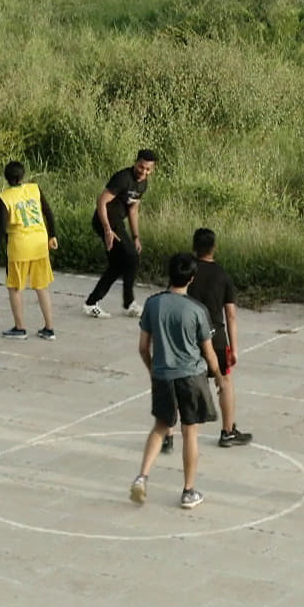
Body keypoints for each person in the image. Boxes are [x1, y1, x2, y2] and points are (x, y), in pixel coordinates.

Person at [129, 253, 221, 510]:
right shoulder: (197, 310)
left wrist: (153, 369)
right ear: (191, 279)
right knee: (190, 431)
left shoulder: (152, 304)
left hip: (162, 374)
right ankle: (188, 491)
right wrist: (219, 377)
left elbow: (143, 347)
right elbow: (209, 352)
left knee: (160, 426)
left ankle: (142, 476)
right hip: (190, 376)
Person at [187, 228, 250, 447]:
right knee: (225, 382)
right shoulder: (222, 275)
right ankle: (227, 431)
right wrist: (234, 348)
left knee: (182, 383)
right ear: (214, 248)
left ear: (194, 247)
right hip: (216, 338)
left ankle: (166, 434)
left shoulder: (187, 271)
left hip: (190, 336)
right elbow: (230, 314)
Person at [0, 160, 58, 340]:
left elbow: (1, 228)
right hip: (40, 244)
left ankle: (20, 328)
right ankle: (49, 329)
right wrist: (52, 235)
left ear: (6, 177)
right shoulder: (34, 189)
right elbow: (48, 213)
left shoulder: (4, 197)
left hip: (20, 247)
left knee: (15, 287)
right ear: (23, 175)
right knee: (41, 286)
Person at [83, 149, 157, 319]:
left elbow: (133, 209)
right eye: (141, 167)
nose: (143, 172)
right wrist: (107, 230)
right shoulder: (123, 178)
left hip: (117, 223)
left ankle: (92, 303)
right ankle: (128, 303)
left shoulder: (143, 183)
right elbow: (102, 201)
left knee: (118, 265)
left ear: (152, 169)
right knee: (132, 257)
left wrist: (136, 237)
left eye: (148, 169)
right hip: (106, 221)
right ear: (136, 162)